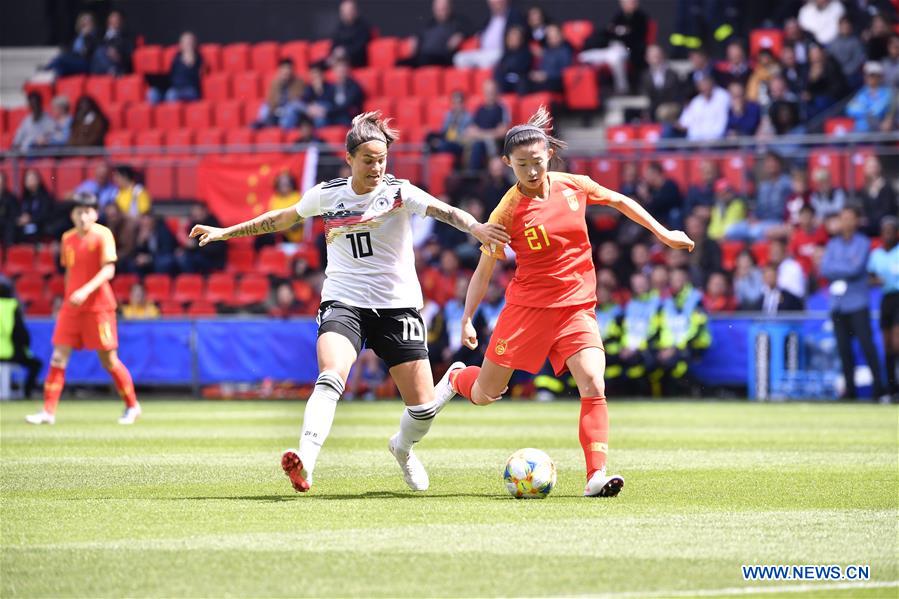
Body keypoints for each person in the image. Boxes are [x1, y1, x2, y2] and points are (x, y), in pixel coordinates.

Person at [188, 112, 509, 493]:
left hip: (397, 306)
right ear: (349, 158)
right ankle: (306, 462)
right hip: (344, 301)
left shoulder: (399, 192)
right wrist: (226, 232)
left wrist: (476, 227)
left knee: (422, 409)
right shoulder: (328, 194)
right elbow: (281, 219)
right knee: (330, 377)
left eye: (382, 160)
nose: (376, 168)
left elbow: (447, 211)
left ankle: (404, 446)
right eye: (368, 160)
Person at [432, 107, 694, 498]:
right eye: (522, 164)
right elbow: (484, 270)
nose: (531, 170)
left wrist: (664, 233)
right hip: (527, 310)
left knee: (593, 381)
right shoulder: (506, 212)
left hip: (575, 307)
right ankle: (457, 378)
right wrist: (467, 317)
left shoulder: (574, 185)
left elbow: (620, 201)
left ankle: (596, 475)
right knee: (486, 393)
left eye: (537, 161)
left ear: (549, 155)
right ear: (507, 163)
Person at [26, 193, 141, 425]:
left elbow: (108, 270)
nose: (83, 217)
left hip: (99, 307)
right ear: (72, 215)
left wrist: (85, 291)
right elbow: (70, 272)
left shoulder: (103, 234)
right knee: (58, 357)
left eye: (87, 212)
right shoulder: (67, 238)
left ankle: (132, 406)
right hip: (72, 307)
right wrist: (69, 297)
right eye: (79, 212)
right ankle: (48, 411)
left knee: (109, 360)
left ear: (95, 214)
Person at [820, 206, 885, 401]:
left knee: (867, 346)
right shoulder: (833, 244)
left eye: (850, 218)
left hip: (857, 303)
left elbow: (856, 269)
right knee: (843, 349)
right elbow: (825, 268)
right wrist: (846, 266)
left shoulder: (863, 242)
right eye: (843, 218)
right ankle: (850, 391)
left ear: (857, 221)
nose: (846, 222)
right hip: (837, 304)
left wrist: (838, 268)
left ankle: (879, 389)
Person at [651, 267, 711, 394]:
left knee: (676, 362)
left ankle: (699, 391)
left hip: (695, 344)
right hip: (671, 346)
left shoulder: (696, 299)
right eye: (673, 279)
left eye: (679, 278)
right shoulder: (666, 301)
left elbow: (697, 329)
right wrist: (663, 347)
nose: (676, 282)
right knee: (650, 359)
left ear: (686, 280)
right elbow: (660, 327)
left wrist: (675, 348)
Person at [578, 0, 648, 94]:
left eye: (630, 2)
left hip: (628, 49)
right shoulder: (618, 16)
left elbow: (637, 37)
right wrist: (618, 32)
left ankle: (622, 89)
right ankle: (596, 89)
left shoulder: (640, 17)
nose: (627, 5)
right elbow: (608, 31)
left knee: (615, 58)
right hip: (612, 48)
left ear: (636, 3)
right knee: (583, 57)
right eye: (625, 3)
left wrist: (621, 33)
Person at [867, 217, 899, 401]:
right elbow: (869, 277)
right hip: (886, 298)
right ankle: (891, 388)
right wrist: (875, 280)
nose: (887, 235)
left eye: (891, 231)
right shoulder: (876, 255)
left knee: (897, 342)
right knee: (887, 345)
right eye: (885, 231)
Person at [0, 276, 42, 398]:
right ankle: (27, 393)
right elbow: (20, 333)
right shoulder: (12, 306)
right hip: (9, 353)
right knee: (36, 364)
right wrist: (25, 347)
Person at [453, 0, 527, 69]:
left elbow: (519, 35)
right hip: (484, 53)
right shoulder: (489, 19)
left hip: (501, 53)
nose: (496, 4)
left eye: (498, 2)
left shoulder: (514, 16)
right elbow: (477, 33)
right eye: (493, 2)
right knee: (459, 58)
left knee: (488, 61)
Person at [401, 0, 467, 67]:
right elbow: (419, 35)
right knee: (400, 63)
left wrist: (460, 34)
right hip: (423, 56)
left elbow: (470, 30)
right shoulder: (430, 24)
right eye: (439, 9)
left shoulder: (457, 22)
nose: (442, 12)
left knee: (425, 59)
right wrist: (415, 39)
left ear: (450, 8)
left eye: (444, 8)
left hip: (441, 57)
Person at [466, 79, 511, 170]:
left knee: (480, 145)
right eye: (487, 92)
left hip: (496, 144)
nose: (489, 94)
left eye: (492, 91)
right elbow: (470, 131)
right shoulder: (479, 109)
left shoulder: (501, 109)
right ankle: (472, 174)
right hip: (481, 141)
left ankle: (474, 173)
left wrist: (484, 135)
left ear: (496, 92)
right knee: (474, 144)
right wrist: (487, 135)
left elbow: (503, 131)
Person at [151, 31, 203, 103]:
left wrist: (190, 55)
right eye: (185, 42)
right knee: (153, 93)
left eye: (190, 42)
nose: (187, 44)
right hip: (174, 87)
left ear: (194, 43)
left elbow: (196, 70)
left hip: (190, 89)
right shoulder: (176, 57)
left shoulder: (198, 57)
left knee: (171, 94)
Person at [676, 72, 730, 141]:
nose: (704, 87)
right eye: (701, 85)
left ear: (712, 83)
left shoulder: (722, 96)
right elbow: (685, 122)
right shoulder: (696, 101)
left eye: (706, 83)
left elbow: (722, 123)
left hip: (716, 140)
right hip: (695, 141)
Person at [845, 62, 896, 133]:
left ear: (880, 77)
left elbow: (877, 112)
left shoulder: (887, 93)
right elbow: (850, 110)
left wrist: (862, 108)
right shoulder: (862, 92)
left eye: (872, 75)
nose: (869, 78)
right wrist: (867, 112)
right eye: (867, 75)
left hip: (877, 131)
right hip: (859, 132)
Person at [255, 58, 304, 129]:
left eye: (289, 69)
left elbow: (296, 99)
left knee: (292, 107)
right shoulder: (275, 83)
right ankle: (263, 122)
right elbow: (270, 100)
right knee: (265, 107)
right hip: (277, 109)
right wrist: (274, 107)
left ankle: (283, 127)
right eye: (284, 69)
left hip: (289, 109)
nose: (286, 71)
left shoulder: (299, 82)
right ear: (280, 70)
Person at [641, 45, 683, 124]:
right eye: (653, 56)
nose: (656, 59)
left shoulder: (672, 74)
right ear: (647, 58)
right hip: (653, 107)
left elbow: (675, 95)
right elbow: (646, 94)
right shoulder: (645, 76)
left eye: (658, 56)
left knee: (663, 112)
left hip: (670, 105)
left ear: (663, 56)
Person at [859, 155, 899, 237]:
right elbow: (865, 209)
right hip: (871, 222)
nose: (872, 169)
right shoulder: (864, 189)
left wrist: (870, 219)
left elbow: (887, 209)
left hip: (886, 219)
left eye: (874, 166)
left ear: (879, 167)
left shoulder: (887, 186)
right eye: (869, 167)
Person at [528, 23, 572, 93]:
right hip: (544, 80)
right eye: (550, 37)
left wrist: (546, 75)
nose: (552, 39)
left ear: (561, 35)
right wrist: (536, 74)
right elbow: (542, 68)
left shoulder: (565, 50)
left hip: (556, 81)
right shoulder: (546, 50)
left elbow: (565, 71)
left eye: (555, 36)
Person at [426, 90, 471, 158]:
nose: (456, 105)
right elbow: (443, 131)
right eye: (454, 103)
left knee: (445, 145)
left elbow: (463, 136)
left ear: (463, 103)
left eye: (459, 103)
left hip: (457, 143)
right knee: (429, 135)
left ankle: (435, 148)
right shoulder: (449, 115)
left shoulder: (468, 117)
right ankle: (434, 149)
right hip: (446, 138)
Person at [327, 0, 371, 67]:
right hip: (338, 58)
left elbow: (359, 48)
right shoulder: (339, 28)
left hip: (355, 59)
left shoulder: (363, 27)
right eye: (344, 12)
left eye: (349, 11)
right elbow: (333, 46)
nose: (347, 14)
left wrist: (344, 51)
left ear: (355, 11)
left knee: (340, 62)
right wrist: (335, 53)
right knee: (317, 65)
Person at [828, 16, 866, 88]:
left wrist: (845, 72)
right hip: (836, 74)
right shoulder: (833, 42)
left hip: (851, 75)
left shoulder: (856, 42)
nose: (845, 27)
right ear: (839, 27)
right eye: (843, 25)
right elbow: (829, 59)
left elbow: (858, 60)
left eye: (847, 25)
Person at [18, 168, 54, 243]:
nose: (30, 181)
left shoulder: (45, 196)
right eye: (28, 179)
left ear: (38, 180)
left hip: (40, 226)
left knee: (30, 230)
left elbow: (45, 215)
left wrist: (30, 219)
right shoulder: (25, 198)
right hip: (26, 226)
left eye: (32, 179)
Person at [494, 25, 533, 94]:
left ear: (521, 39)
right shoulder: (506, 54)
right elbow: (502, 67)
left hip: (519, 81)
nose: (511, 40)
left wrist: (508, 67)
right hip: (506, 81)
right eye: (510, 37)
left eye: (514, 37)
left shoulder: (526, 53)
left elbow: (520, 67)